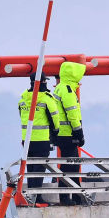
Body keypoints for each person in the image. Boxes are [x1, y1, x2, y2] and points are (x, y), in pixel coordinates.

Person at [18, 75, 60, 201]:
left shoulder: (23, 98)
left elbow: (21, 116)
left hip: (27, 140)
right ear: (43, 82)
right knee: (39, 169)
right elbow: (55, 120)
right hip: (41, 140)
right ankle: (37, 197)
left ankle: (30, 195)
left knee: (30, 168)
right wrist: (55, 133)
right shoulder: (46, 99)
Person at [54, 61, 87, 205]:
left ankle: (75, 196)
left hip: (61, 134)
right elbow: (72, 113)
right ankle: (67, 197)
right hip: (68, 134)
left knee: (70, 164)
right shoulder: (67, 90)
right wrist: (79, 132)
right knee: (70, 165)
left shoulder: (59, 88)